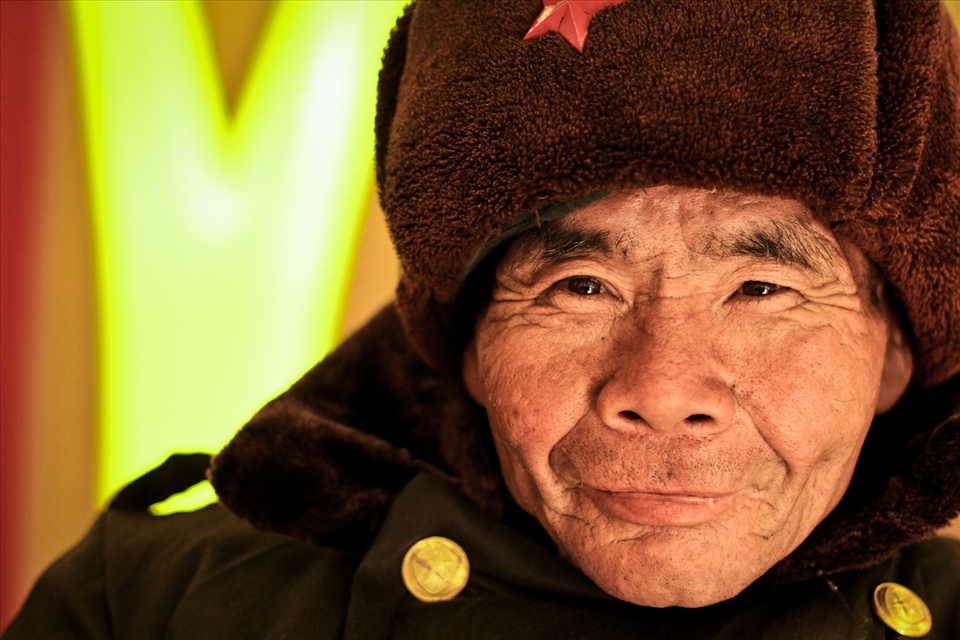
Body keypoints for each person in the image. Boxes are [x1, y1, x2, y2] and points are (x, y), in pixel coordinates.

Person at [6, 0, 959, 638]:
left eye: (762, 290)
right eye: (580, 286)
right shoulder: (150, 611)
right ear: (465, 346)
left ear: (894, 352)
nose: (663, 393)